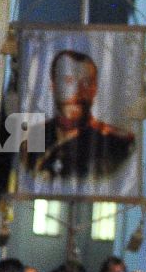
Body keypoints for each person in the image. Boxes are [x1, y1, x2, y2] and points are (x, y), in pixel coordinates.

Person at [26, 50, 136, 183]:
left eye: (86, 83)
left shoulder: (118, 145)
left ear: (94, 89)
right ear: (53, 85)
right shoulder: (31, 141)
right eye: (68, 81)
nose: (76, 93)